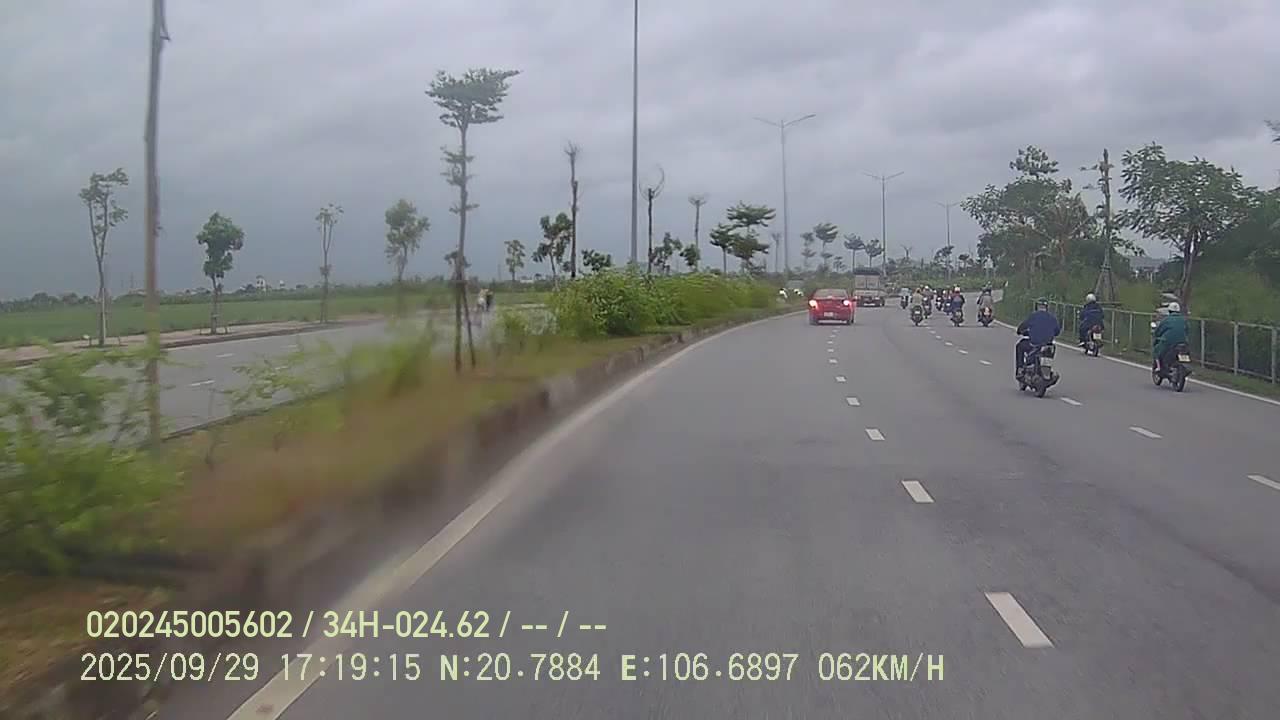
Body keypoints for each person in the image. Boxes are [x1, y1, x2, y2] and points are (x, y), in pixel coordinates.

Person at [1015, 298, 1061, 378]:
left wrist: (1020, 331)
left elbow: (1022, 327)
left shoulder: (1033, 316)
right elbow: (1057, 331)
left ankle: (1020, 368)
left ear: (1037, 306)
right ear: (1047, 307)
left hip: (1034, 345)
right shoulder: (1052, 318)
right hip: (1048, 346)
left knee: (1019, 346)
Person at [1152, 301, 1189, 373]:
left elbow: (1159, 330)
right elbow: (1187, 330)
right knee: (1184, 351)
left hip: (1168, 342)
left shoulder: (1166, 320)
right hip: (1183, 341)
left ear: (1169, 311)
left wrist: (1156, 336)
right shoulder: (1183, 320)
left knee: (1157, 351)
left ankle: (1159, 367)